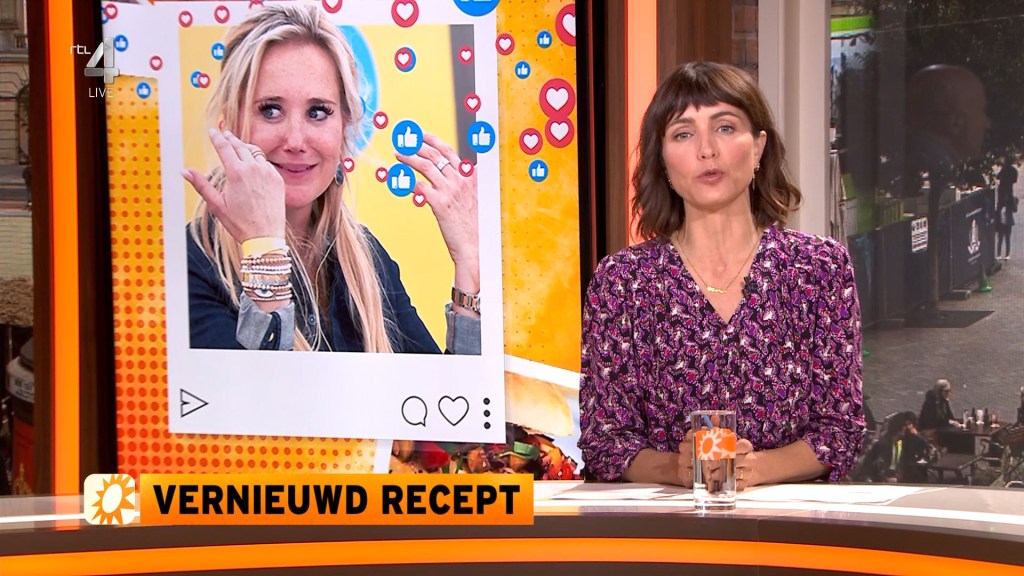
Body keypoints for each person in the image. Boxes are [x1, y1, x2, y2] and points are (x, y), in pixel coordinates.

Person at [578, 62, 865, 490]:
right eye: (683, 134)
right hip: (667, 524)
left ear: (759, 147)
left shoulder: (819, 267)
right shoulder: (623, 281)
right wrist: (676, 469)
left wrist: (755, 469)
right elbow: (605, 441)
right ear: (663, 158)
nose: (707, 150)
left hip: (790, 524)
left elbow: (841, 430)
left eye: (725, 128)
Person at [182, 4, 480, 353]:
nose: (295, 140)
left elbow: (445, 391)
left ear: (344, 130)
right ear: (230, 126)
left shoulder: (368, 260)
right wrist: (264, 255)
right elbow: (265, 389)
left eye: (318, 112)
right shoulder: (188, 264)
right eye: (271, 110)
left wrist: (470, 264)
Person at [855, 412, 935, 484]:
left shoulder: (902, 442)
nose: (906, 428)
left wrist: (915, 435)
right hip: (883, 480)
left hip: (897, 479)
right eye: (904, 425)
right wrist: (886, 478)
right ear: (898, 426)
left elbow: (920, 449)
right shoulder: (883, 444)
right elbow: (874, 467)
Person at [996, 159, 1018, 260]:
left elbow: (998, 177)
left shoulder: (1004, 170)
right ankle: (1003, 254)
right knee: (1004, 238)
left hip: (1004, 193)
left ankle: (1002, 254)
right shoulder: (1012, 171)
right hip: (1008, 194)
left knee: (1002, 238)